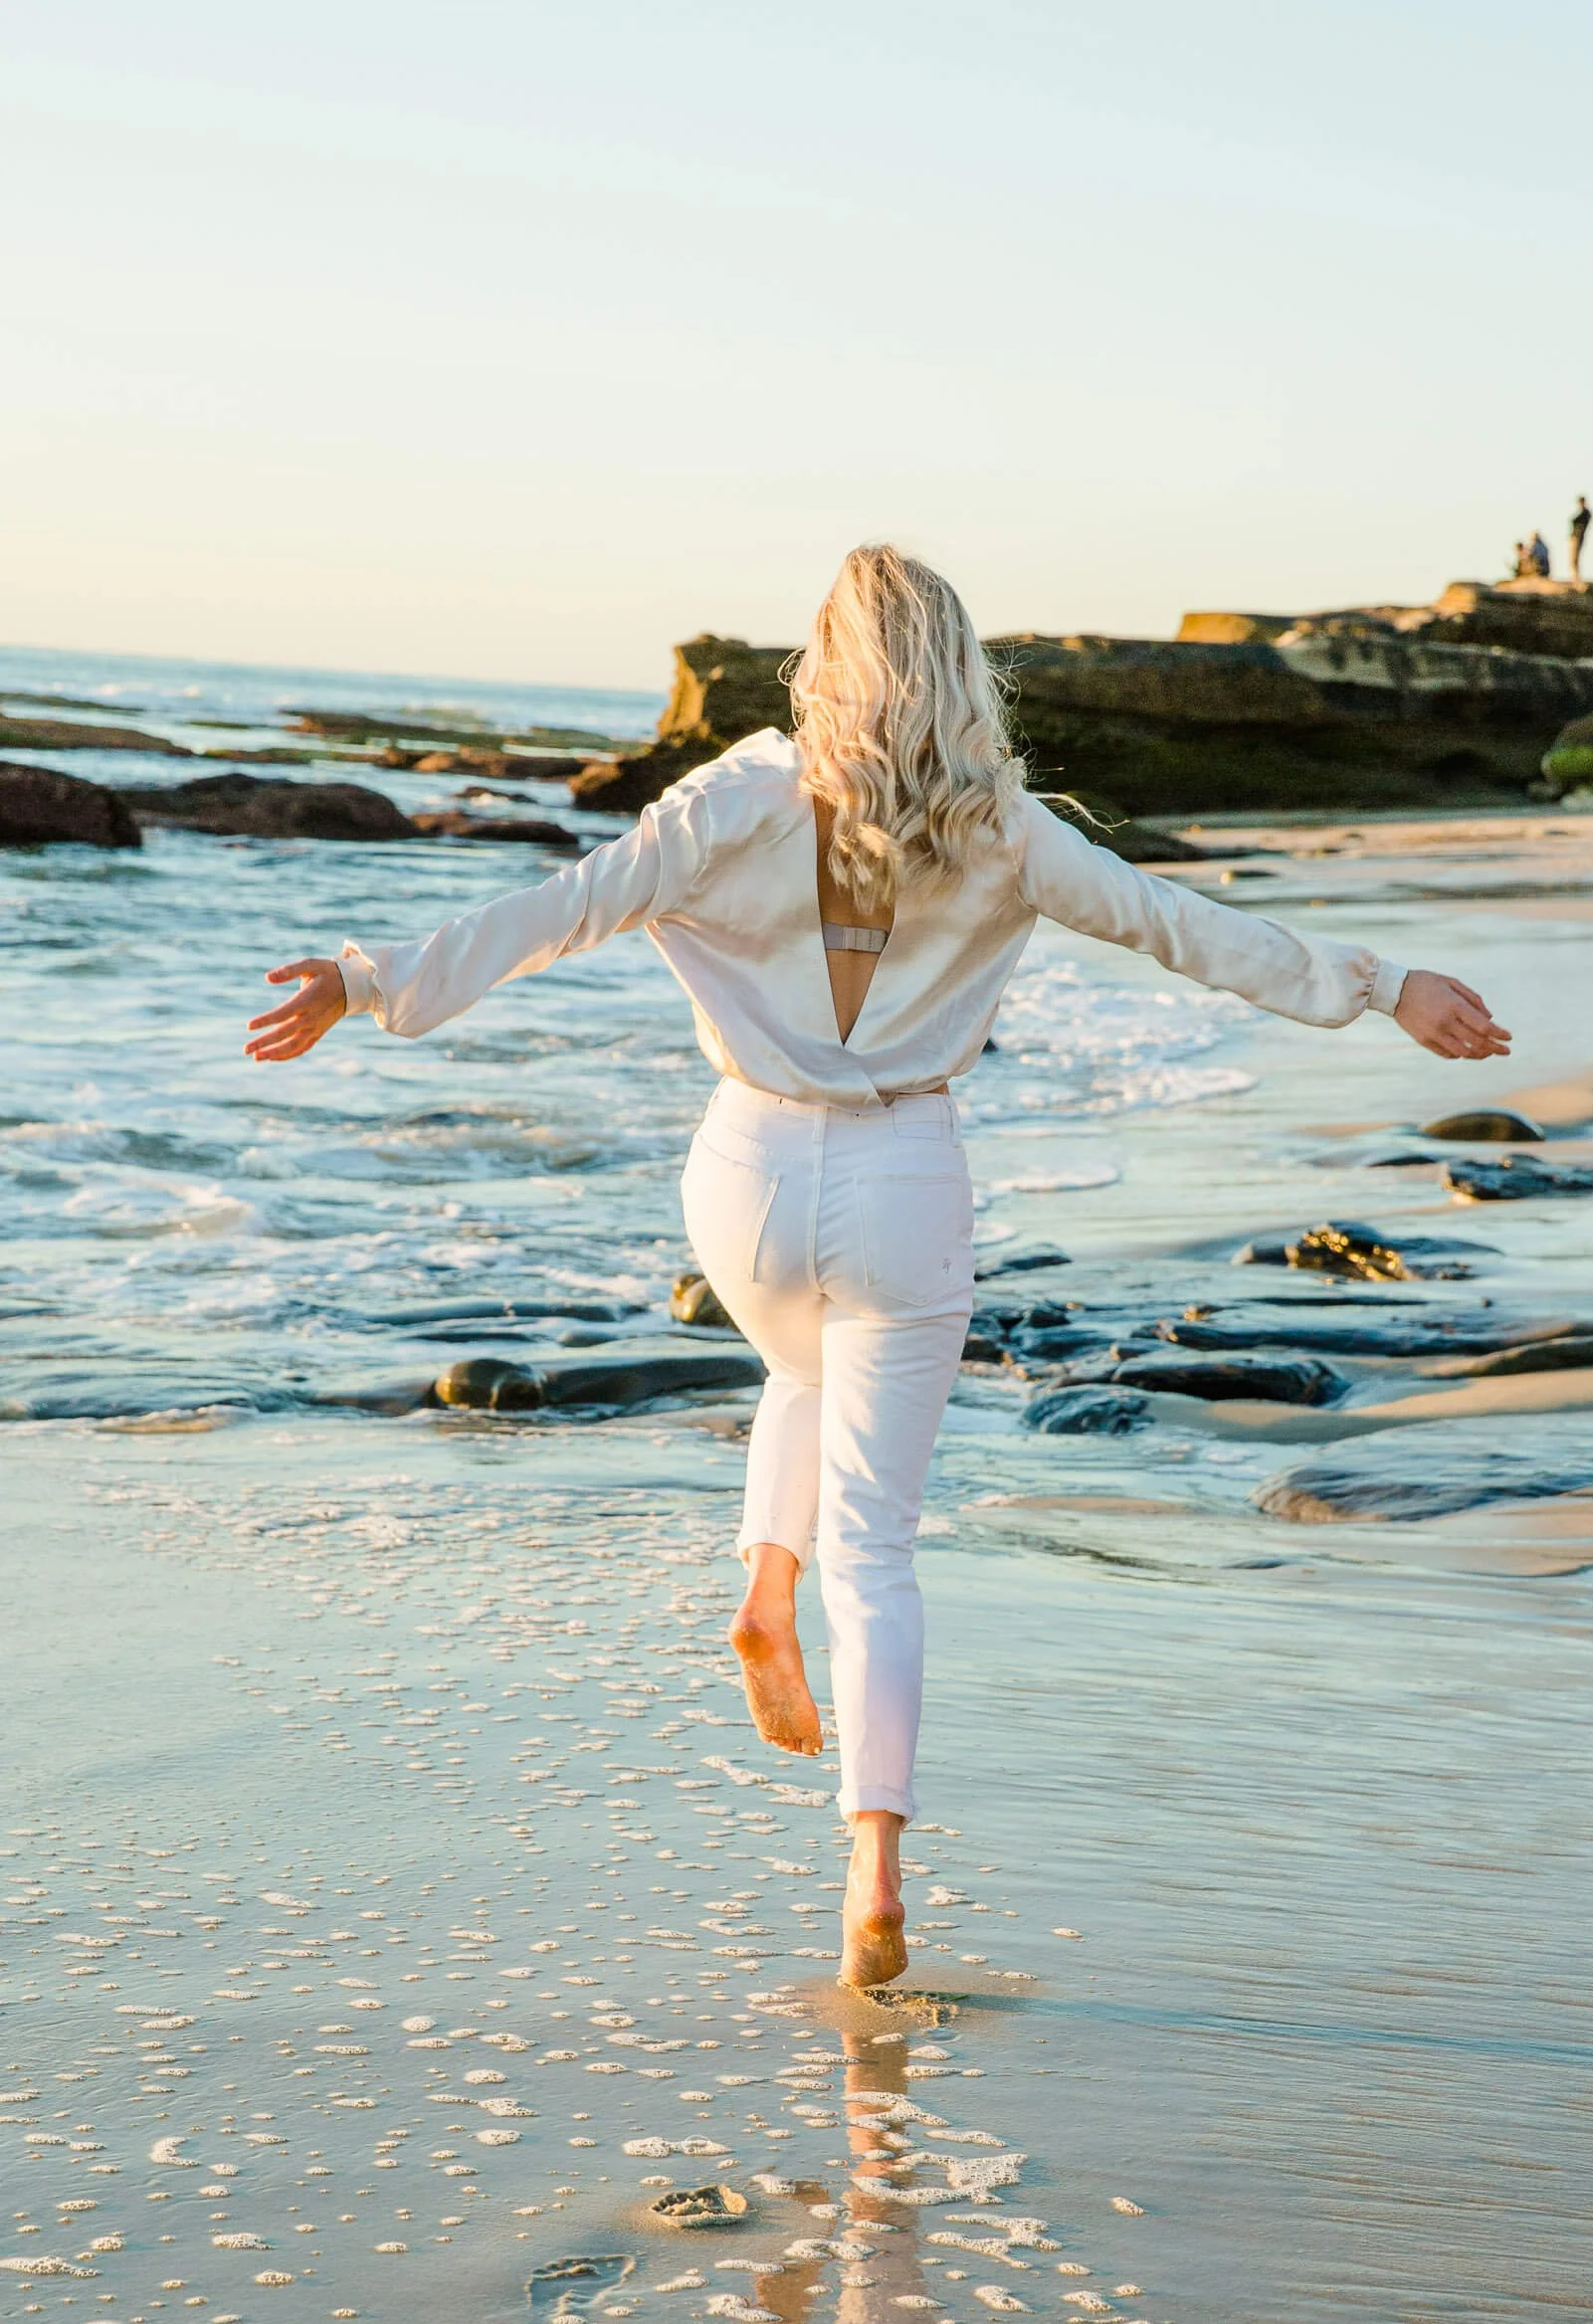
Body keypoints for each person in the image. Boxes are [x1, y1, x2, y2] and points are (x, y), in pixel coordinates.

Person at [246, 544, 1511, 1990]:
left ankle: (760, 1590)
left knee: (794, 1361)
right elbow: (1185, 930)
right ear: (959, 671)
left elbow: (566, 906)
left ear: (821, 664)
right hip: (905, 1173)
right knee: (883, 1544)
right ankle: (873, 1863)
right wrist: (1377, 987)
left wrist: (371, 981)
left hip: (746, 1176)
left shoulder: (734, 796)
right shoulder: (1006, 827)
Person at [1569, 495, 1592, 585]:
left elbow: (1575, 522)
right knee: (1573, 559)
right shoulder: (1585, 513)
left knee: (1574, 559)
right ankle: (1575, 578)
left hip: (1578, 537)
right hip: (1576, 537)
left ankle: (1576, 579)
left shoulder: (1585, 513)